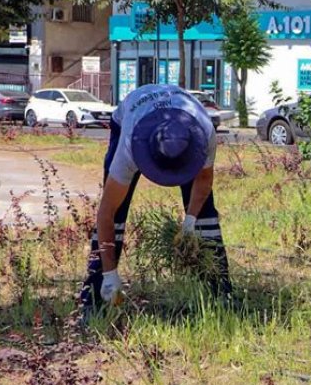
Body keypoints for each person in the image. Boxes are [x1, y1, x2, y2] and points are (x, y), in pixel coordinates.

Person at [80, 83, 231, 318]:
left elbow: (203, 180)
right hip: (131, 116)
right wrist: (110, 275)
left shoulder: (204, 132)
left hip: (179, 114)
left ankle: (219, 294)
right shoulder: (129, 147)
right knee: (117, 212)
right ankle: (95, 296)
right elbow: (106, 212)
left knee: (205, 215)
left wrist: (190, 222)